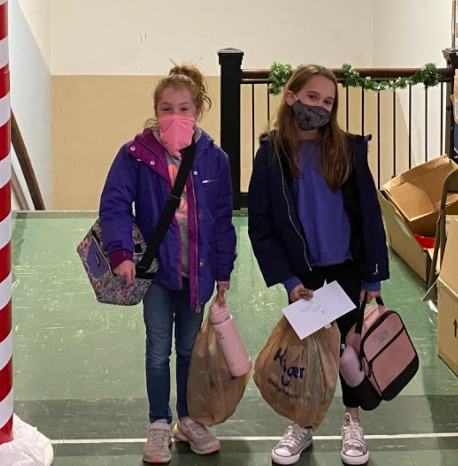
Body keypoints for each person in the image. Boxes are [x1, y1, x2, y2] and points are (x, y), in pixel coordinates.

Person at [248, 65, 389, 466]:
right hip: (304, 274)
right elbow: (261, 225)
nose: (320, 107)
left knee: (350, 349)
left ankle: (352, 422)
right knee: (305, 351)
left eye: (328, 101)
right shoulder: (271, 154)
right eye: (313, 98)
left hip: (347, 268)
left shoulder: (347, 148)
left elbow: (369, 216)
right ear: (291, 97)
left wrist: (372, 275)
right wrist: (289, 280)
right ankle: (303, 424)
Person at [99, 65, 237, 464]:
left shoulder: (215, 160)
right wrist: (121, 252)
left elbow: (224, 220)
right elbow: (115, 202)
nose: (174, 115)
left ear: (198, 110)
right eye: (166, 107)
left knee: (190, 351)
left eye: (184, 107)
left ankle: (189, 419)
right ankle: (158, 423)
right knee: (158, 349)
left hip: (199, 274)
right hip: (157, 275)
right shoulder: (135, 155)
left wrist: (224, 270)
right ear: (155, 111)